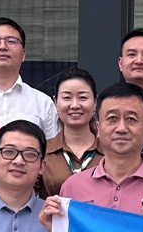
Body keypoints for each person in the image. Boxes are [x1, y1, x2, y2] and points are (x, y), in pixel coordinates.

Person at [58, 82, 143, 223]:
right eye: (112, 118)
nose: (121, 128)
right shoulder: (72, 187)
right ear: (98, 129)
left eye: (131, 119)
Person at [0, 17, 60, 138]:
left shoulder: (43, 103)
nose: (2, 47)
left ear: (23, 54)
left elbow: (52, 148)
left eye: (11, 41)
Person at [41, 68, 103, 198]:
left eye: (82, 97)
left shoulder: (110, 152)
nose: (74, 105)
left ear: (95, 102)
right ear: (55, 102)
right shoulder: (42, 152)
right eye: (67, 98)